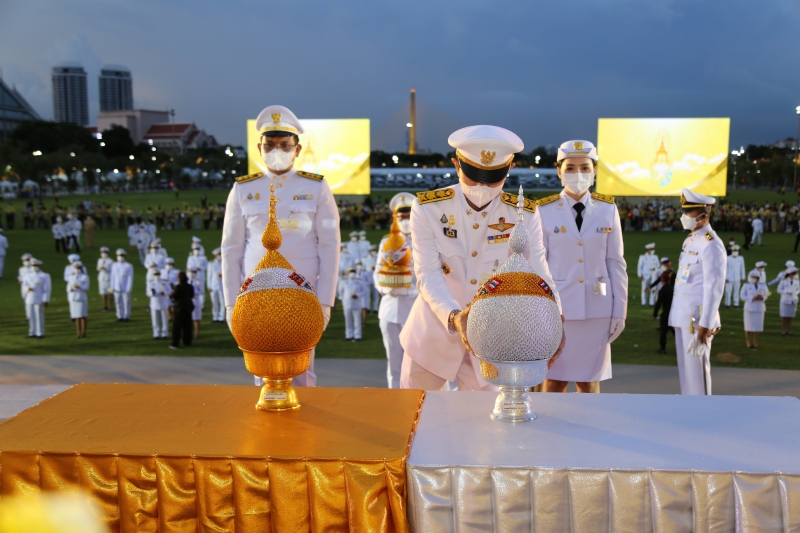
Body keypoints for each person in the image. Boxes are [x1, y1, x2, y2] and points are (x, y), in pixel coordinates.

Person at [399, 125, 563, 391]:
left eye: (493, 177)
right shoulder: (430, 208)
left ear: (510, 169)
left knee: (483, 418)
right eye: (474, 175)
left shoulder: (524, 214)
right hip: (431, 336)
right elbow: (428, 273)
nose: (482, 185)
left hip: (493, 340)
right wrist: (454, 317)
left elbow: (540, 273)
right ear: (456, 165)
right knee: (414, 412)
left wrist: (556, 319)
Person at [222, 105, 340, 386]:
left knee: (301, 371)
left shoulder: (316, 187)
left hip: (303, 294)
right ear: (259, 149)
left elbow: (330, 246)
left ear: (297, 149)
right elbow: (231, 250)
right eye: (270, 144)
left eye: (284, 145)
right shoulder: (243, 188)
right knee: (261, 371)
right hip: (255, 295)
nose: (277, 150)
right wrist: (230, 304)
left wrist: (325, 302)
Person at [537, 140, 628, 393]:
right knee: (554, 381)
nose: (578, 174)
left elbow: (616, 262)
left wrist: (620, 311)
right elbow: (538, 265)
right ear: (559, 171)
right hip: (558, 311)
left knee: (589, 382)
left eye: (585, 168)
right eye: (570, 168)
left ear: (594, 171)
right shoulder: (543, 210)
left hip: (597, 310)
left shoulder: (608, 209)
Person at [668, 188, 726, 395]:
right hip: (684, 316)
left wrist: (706, 324)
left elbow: (714, 287)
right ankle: (689, 408)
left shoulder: (711, 244)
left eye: (689, 212)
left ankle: (702, 410)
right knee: (686, 373)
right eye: (684, 211)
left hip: (697, 320)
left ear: (704, 214)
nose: (684, 216)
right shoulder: (691, 240)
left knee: (697, 375)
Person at [374, 193, 418, 388]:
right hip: (389, 307)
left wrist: (408, 290)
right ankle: (394, 399)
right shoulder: (387, 242)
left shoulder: (423, 241)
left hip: (414, 308)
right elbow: (377, 272)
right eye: (401, 217)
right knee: (394, 364)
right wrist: (386, 287)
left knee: (415, 364)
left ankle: (415, 400)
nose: (405, 221)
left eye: (408, 216)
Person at [23, 259, 51, 338]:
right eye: (33, 266)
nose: (34, 267)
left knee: (39, 316)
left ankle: (40, 332)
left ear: (40, 266)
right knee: (31, 316)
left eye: (36, 265)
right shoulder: (28, 275)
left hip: (39, 298)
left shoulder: (44, 275)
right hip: (30, 298)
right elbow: (24, 286)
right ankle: (32, 332)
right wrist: (27, 289)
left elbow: (47, 289)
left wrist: (46, 299)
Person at [740, 269, 768, 349]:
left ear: (758, 278)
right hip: (749, 308)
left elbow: (767, 294)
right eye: (752, 277)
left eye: (755, 277)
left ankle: (755, 341)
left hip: (759, 307)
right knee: (748, 325)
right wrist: (752, 298)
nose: (753, 279)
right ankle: (748, 341)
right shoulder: (746, 285)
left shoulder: (763, 285)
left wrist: (762, 297)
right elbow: (742, 296)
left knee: (757, 326)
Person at [339, 268, 367, 340]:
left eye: (354, 271)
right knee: (348, 320)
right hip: (347, 303)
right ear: (348, 272)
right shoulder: (344, 280)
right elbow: (340, 291)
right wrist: (344, 299)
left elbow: (365, 291)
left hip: (357, 302)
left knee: (357, 320)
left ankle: (358, 335)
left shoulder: (360, 281)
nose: (352, 273)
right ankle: (348, 335)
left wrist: (358, 295)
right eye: (351, 271)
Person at [169, 271, 194, 349]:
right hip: (188, 307)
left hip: (179, 308)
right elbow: (192, 295)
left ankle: (175, 343)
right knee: (187, 326)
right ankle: (187, 341)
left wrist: (172, 294)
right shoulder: (190, 286)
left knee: (177, 327)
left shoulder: (178, 287)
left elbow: (175, 296)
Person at [653, 271, 676, 354]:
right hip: (674, 313)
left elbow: (658, 304)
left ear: (662, 281)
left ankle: (662, 349)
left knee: (663, 332)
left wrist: (655, 314)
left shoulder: (662, 290)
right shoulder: (673, 289)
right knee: (675, 332)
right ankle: (682, 346)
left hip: (666, 314)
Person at [67, 261, 89, 339]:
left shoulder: (84, 277)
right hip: (74, 298)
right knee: (77, 316)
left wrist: (80, 287)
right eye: (76, 268)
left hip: (81, 297)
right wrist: (71, 289)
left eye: (79, 268)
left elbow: (87, 287)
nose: (77, 269)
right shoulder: (71, 277)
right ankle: (78, 332)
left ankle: (83, 332)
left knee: (83, 316)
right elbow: (68, 287)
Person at [110, 249, 133, 322]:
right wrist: (111, 287)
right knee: (118, 302)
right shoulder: (114, 265)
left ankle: (126, 316)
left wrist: (129, 287)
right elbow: (112, 277)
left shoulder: (128, 265)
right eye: (119, 255)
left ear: (125, 256)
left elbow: (130, 277)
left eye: (122, 255)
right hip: (116, 287)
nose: (120, 257)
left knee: (126, 302)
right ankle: (119, 316)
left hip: (125, 287)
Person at [148, 270, 171, 339]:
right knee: (155, 320)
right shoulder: (151, 283)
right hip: (154, 303)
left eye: (158, 274)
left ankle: (165, 334)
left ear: (160, 275)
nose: (157, 276)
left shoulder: (165, 282)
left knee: (164, 320)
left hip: (163, 302)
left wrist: (164, 292)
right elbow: (147, 293)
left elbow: (169, 291)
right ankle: (156, 334)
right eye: (155, 274)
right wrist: (152, 293)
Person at [778, 267, 799, 335]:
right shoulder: (784, 280)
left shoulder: (797, 281)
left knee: (790, 317)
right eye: (795, 273)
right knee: (784, 316)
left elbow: (798, 289)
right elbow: (779, 289)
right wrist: (786, 292)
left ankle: (788, 330)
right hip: (785, 300)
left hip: (793, 300)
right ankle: (783, 330)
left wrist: (795, 292)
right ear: (790, 274)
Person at [207, 248, 224, 322]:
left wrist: (222, 275)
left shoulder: (224, 263)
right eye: (219, 254)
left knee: (222, 302)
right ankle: (215, 317)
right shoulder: (211, 263)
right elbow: (209, 276)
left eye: (220, 254)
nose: (220, 255)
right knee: (214, 302)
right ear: (215, 255)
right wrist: (209, 286)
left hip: (222, 286)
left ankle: (221, 317)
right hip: (213, 286)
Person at [188, 267, 204, 338]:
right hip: (189, 301)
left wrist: (194, 292)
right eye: (190, 272)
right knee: (190, 318)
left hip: (196, 300)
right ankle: (190, 333)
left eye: (194, 272)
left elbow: (202, 291)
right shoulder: (187, 281)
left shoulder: (198, 281)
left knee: (197, 318)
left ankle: (196, 333)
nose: (192, 273)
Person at [96, 247, 114, 311]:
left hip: (109, 278)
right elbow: (97, 268)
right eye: (102, 252)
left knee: (111, 292)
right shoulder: (100, 260)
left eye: (105, 252)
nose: (103, 254)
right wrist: (100, 268)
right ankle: (104, 305)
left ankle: (111, 305)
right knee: (103, 293)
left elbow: (112, 269)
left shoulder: (111, 261)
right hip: (102, 278)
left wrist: (106, 268)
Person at [18, 253, 34, 320]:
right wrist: (20, 280)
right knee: (26, 301)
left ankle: (31, 315)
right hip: (24, 287)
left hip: (31, 287)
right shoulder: (21, 269)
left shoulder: (33, 268)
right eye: (24, 260)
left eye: (27, 260)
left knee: (32, 301)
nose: (26, 261)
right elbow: (20, 277)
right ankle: (28, 315)